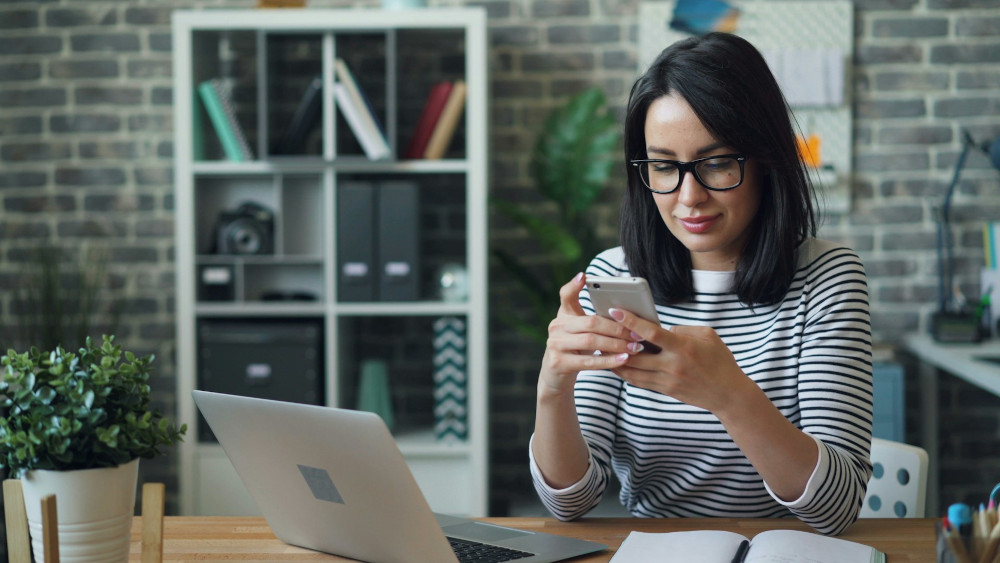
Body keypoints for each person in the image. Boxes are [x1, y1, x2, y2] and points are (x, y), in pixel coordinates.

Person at [529, 32, 873, 536]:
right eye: (665, 166)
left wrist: (729, 395)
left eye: (716, 163)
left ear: (765, 161)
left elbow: (837, 508)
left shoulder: (827, 277)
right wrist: (552, 389)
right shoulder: (614, 276)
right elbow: (570, 501)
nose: (689, 196)